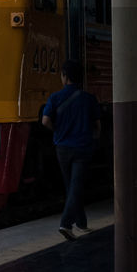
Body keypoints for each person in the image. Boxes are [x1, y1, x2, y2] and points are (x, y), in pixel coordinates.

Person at [41, 60, 101, 240]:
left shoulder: (55, 97)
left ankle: (81, 223)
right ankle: (67, 224)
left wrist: (57, 131)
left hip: (63, 148)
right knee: (75, 186)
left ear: (65, 77)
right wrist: (93, 139)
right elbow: (98, 125)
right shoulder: (89, 99)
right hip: (82, 147)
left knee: (72, 186)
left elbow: (45, 121)